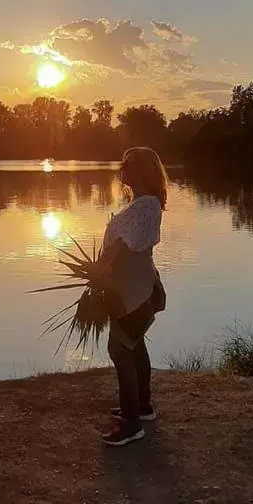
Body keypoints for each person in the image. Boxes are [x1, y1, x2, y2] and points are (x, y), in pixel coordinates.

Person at [92, 146, 167, 447]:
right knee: (134, 347)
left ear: (143, 170)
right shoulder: (143, 204)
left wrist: (100, 269)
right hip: (132, 288)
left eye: (128, 164)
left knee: (119, 349)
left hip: (134, 292)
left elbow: (124, 245)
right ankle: (142, 406)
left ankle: (131, 423)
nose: (123, 169)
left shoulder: (147, 205)